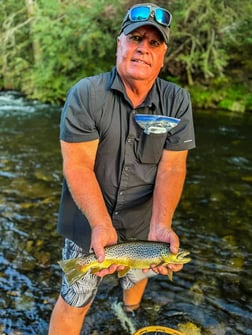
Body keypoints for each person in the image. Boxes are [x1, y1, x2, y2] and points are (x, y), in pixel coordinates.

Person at [48, 3, 195, 334]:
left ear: (163, 55)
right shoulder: (86, 94)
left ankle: (129, 312)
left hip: (144, 223)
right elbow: (78, 166)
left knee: (136, 276)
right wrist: (100, 225)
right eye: (136, 38)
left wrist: (161, 225)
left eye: (154, 43)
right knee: (74, 299)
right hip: (86, 222)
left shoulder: (178, 101)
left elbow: (172, 169)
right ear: (120, 43)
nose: (144, 48)